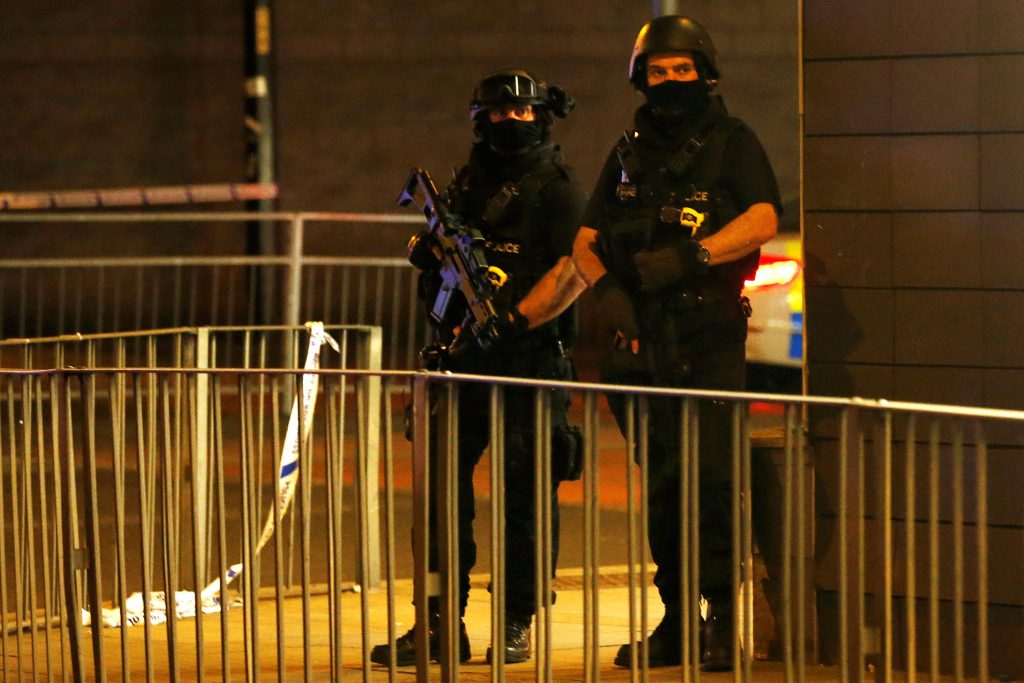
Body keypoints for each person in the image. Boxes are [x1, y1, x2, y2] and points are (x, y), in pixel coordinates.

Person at [572, 15, 781, 671]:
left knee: (713, 478)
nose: (669, 80)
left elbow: (762, 217)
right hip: (641, 338)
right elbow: (587, 238)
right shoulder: (628, 150)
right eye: (657, 71)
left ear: (704, 72)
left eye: (680, 69)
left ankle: (721, 617)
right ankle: (678, 620)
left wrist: (695, 255)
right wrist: (606, 291)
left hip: (706, 329)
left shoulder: (731, 140)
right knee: (663, 484)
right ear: (641, 76)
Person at [370, 68, 588, 666]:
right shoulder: (467, 184)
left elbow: (572, 272)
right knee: (440, 499)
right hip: (458, 359)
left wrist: (513, 321)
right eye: (497, 114)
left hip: (529, 361)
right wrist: (429, 250)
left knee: (526, 500)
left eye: (521, 114)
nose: (510, 124)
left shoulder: (559, 189)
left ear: (541, 117)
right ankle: (439, 622)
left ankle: (516, 621)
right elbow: (442, 249)